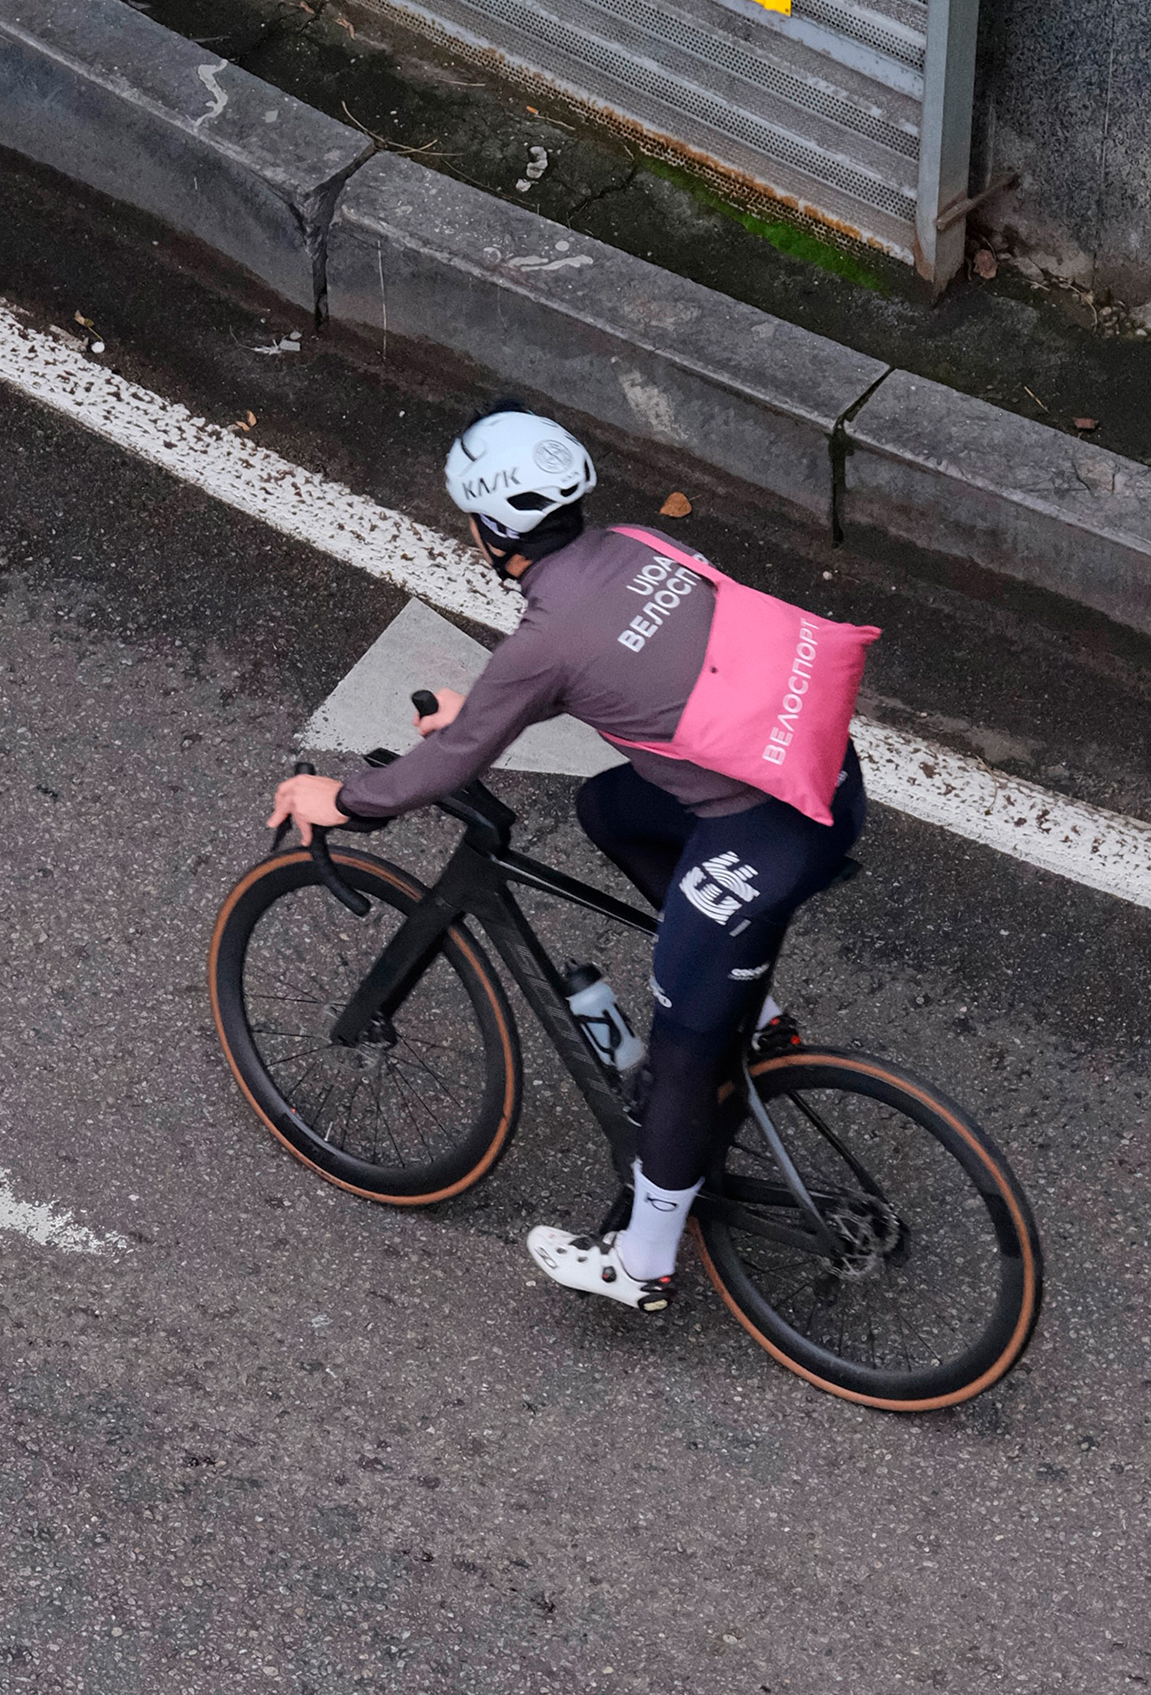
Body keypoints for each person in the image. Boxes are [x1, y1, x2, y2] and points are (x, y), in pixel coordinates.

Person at [270, 401, 867, 1312]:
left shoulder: (547, 636)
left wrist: (345, 803)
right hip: (823, 775)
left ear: (490, 527)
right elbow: (615, 664)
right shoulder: (635, 547)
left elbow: (468, 745)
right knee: (609, 805)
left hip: (772, 838)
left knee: (678, 1057)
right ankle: (755, 1007)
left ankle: (642, 1263)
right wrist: (492, 703)